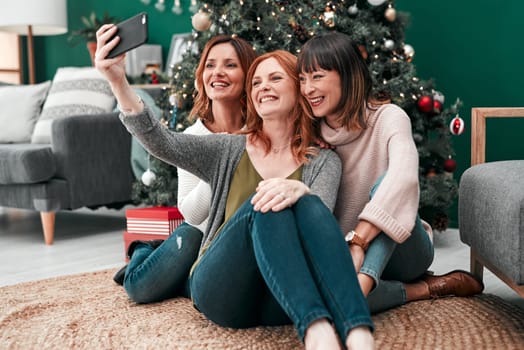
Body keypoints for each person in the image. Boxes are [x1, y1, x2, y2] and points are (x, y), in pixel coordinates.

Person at [96, 23, 374, 349]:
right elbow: (161, 142)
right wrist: (117, 80)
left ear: (299, 91)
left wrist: (303, 192)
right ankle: (317, 330)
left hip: (280, 297)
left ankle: (358, 333)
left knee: (298, 200)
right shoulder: (228, 148)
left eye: (274, 78)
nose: (262, 87)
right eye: (256, 82)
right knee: (267, 202)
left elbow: (319, 235)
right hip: (221, 288)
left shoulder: (324, 161)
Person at [297, 31, 484, 314]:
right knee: (321, 296)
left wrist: (358, 241)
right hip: (343, 257)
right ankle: (421, 289)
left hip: (404, 250)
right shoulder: (308, 133)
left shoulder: (389, 117)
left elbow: (404, 179)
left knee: (389, 183)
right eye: (302, 79)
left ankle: (363, 282)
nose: (308, 88)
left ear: (348, 75)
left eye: (317, 76)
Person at [110, 34, 257, 302]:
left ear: (249, 74)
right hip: (199, 237)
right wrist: (221, 162)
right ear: (201, 75)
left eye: (230, 65)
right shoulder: (194, 135)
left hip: (237, 244)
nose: (218, 73)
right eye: (210, 65)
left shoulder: (262, 133)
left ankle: (175, 269)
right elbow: (190, 212)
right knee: (140, 289)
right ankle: (144, 250)